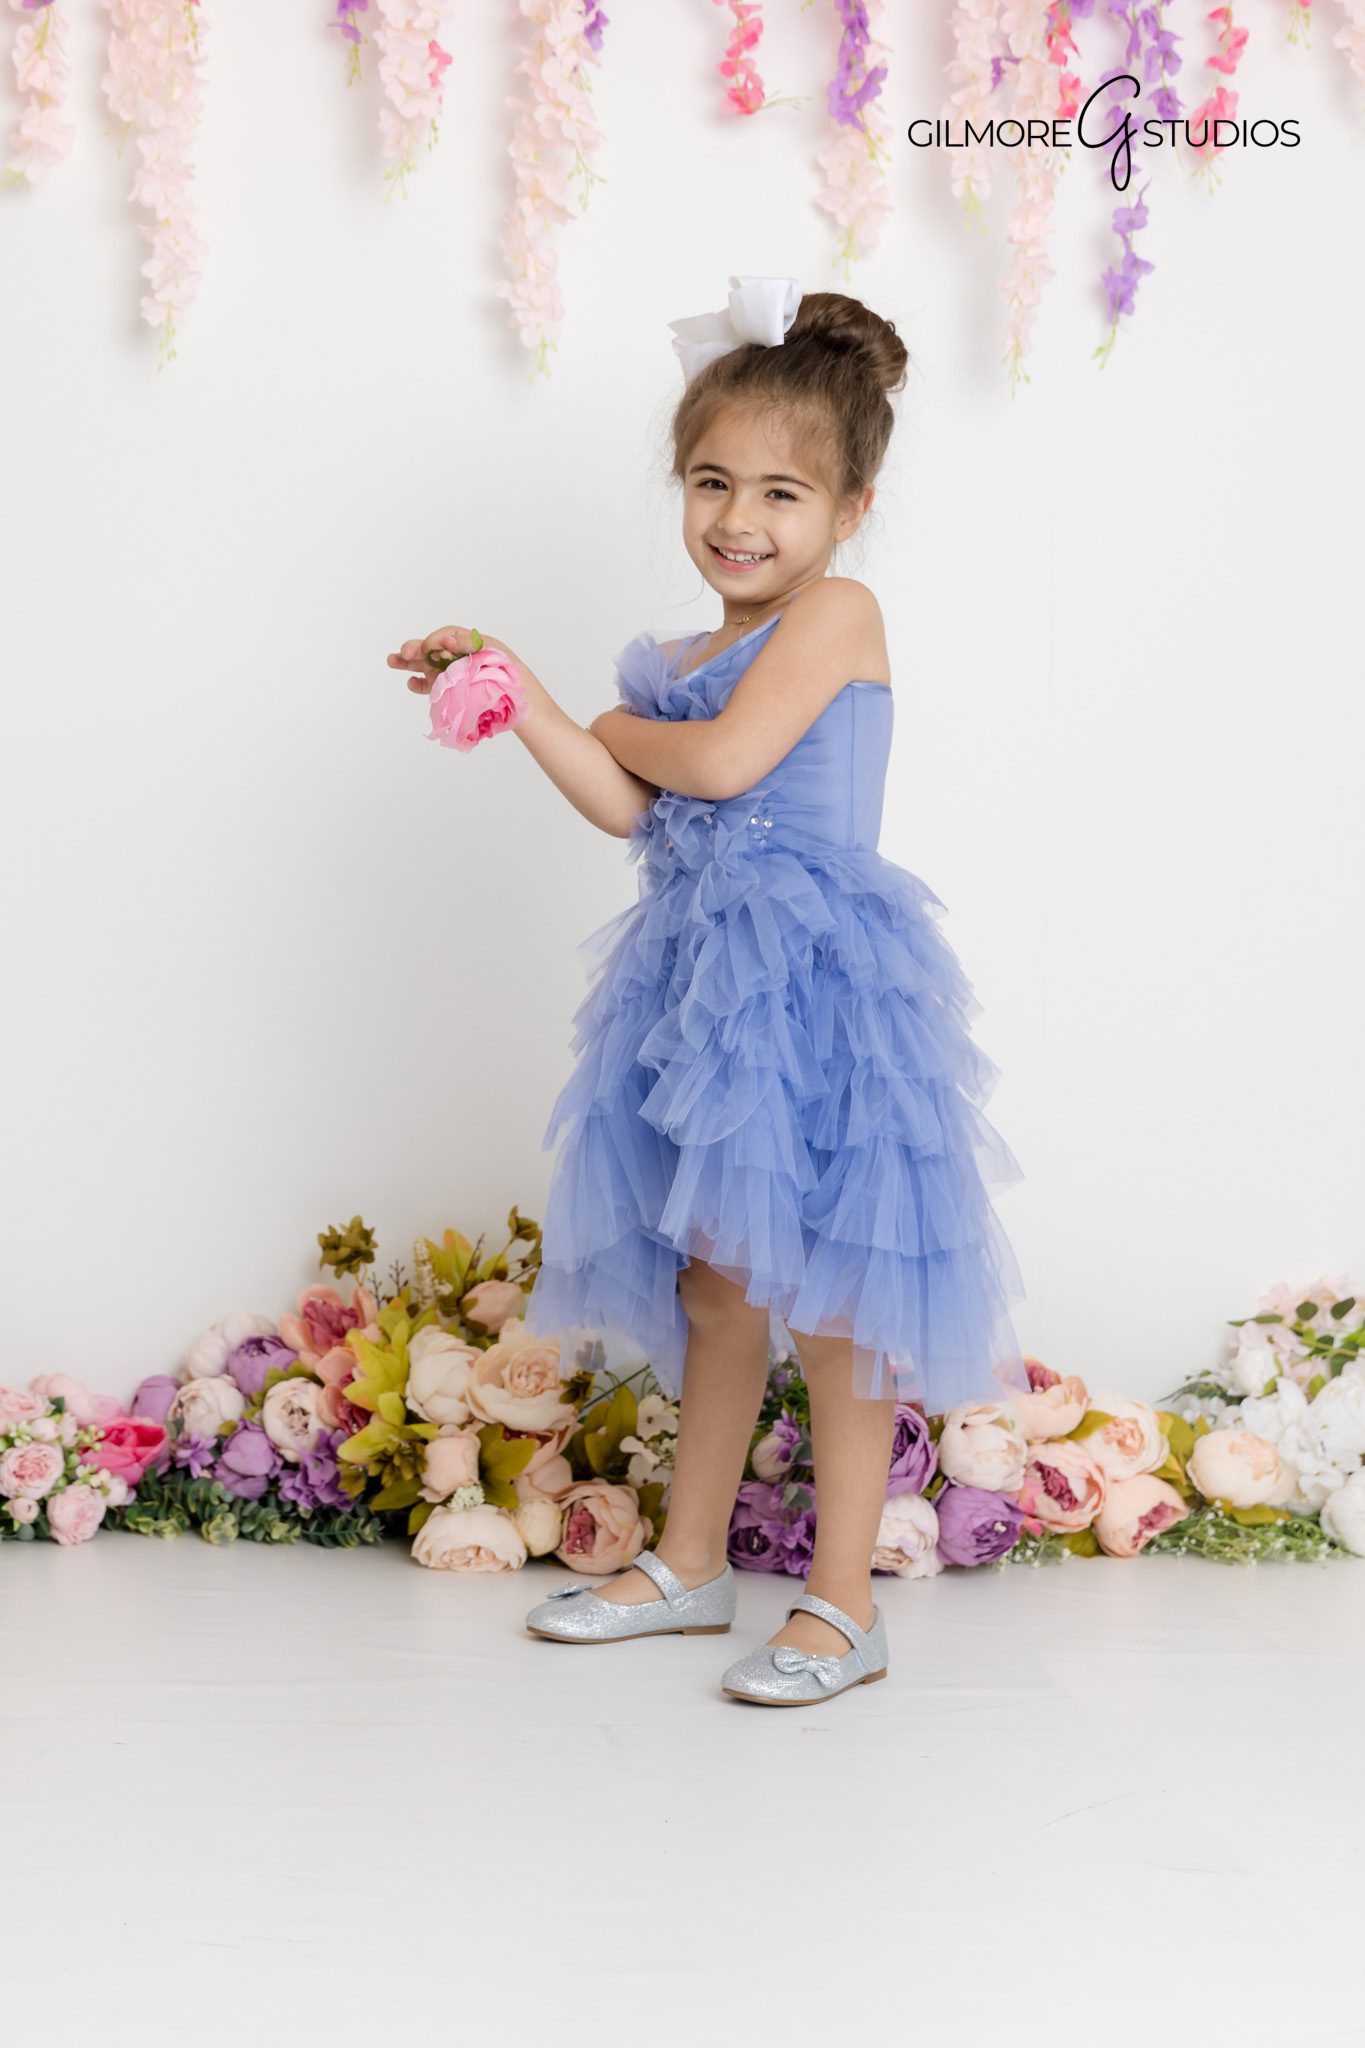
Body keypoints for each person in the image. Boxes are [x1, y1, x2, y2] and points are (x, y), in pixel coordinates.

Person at [387, 276, 1028, 1707]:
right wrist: (523, 691)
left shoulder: (834, 615)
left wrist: (615, 720)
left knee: (837, 1300)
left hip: (817, 994)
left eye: (782, 493)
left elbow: (726, 767)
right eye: (711, 482)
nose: (739, 519)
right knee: (715, 1282)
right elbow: (630, 807)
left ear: (850, 506)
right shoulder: (681, 658)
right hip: (696, 996)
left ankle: (845, 1603)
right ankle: (689, 1560)